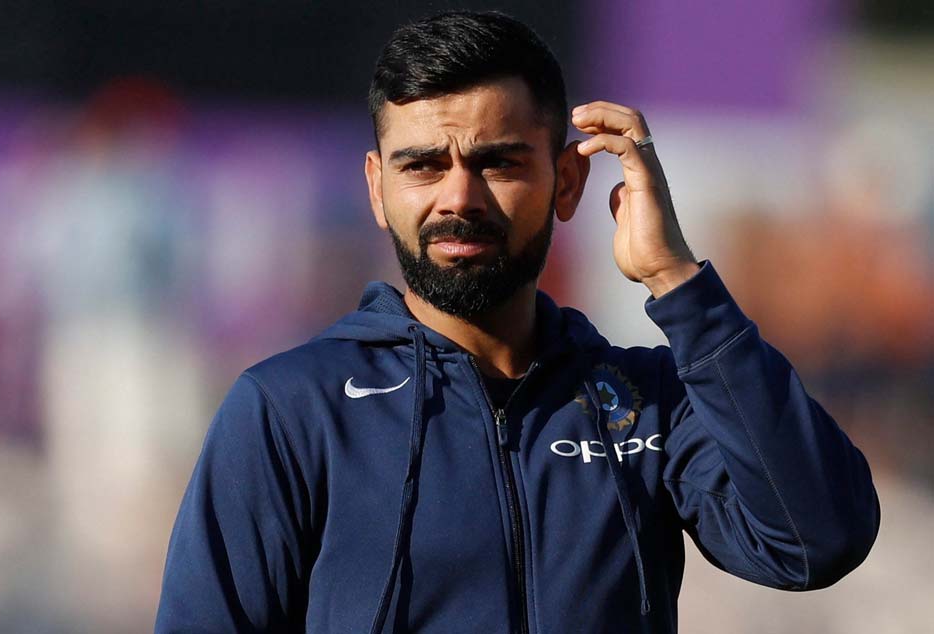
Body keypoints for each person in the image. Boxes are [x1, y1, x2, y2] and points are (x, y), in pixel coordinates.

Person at [155, 10, 879, 634]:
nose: (458, 198)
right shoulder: (290, 409)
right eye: (422, 166)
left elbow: (815, 542)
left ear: (567, 181)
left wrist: (677, 281)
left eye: (498, 163)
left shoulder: (646, 402)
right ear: (377, 189)